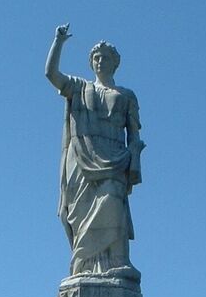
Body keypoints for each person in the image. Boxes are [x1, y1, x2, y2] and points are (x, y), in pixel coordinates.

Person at [45, 23, 145, 278]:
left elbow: (134, 134)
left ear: (115, 63)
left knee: (114, 203)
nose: (100, 61)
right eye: (96, 58)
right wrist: (58, 42)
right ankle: (85, 267)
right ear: (91, 63)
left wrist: (133, 159)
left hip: (115, 158)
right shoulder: (80, 87)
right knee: (81, 215)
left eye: (105, 57)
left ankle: (117, 263)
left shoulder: (126, 95)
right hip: (81, 159)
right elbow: (52, 74)